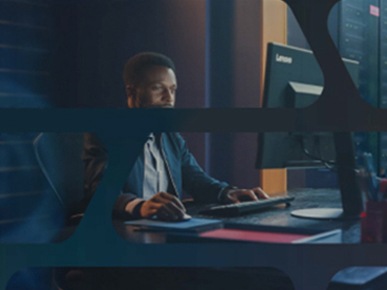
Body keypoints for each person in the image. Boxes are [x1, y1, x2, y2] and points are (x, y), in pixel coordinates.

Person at [83, 52, 269, 221]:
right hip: (124, 233)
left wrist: (227, 192)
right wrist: (140, 206)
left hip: (165, 230)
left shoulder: (171, 137)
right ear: (131, 92)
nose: (169, 98)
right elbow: (101, 190)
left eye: (172, 90)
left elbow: (197, 180)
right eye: (158, 89)